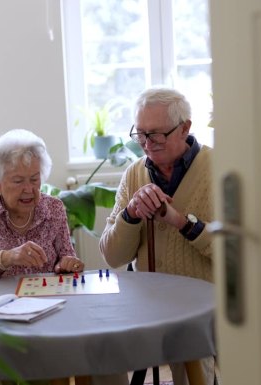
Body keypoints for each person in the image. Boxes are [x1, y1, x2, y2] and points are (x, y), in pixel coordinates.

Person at [99, 87, 217, 385]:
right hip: (147, 305)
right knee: (99, 347)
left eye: (157, 135)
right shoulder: (134, 173)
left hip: (204, 304)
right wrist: (131, 214)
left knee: (193, 367)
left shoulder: (218, 169)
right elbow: (112, 256)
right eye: (140, 135)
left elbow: (233, 252)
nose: (147, 145)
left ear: (185, 128)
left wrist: (181, 222)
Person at [0, 128, 83, 289]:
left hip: (46, 303)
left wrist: (68, 264)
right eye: (18, 181)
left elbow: (67, 258)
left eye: (34, 179)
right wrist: (5, 259)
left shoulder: (53, 208)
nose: (28, 189)